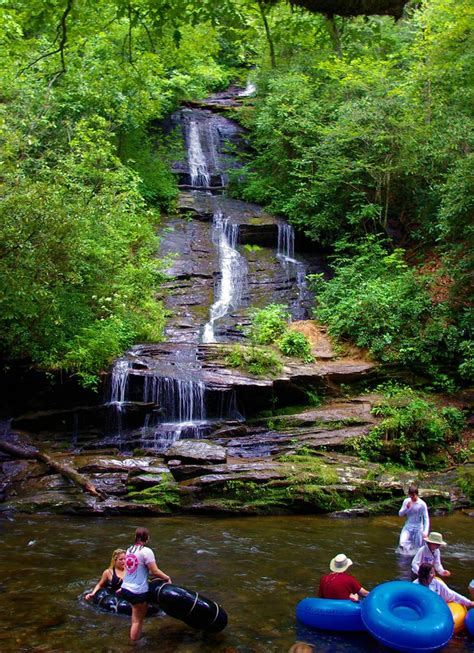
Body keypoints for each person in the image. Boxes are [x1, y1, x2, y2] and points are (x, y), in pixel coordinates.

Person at [119, 526, 171, 641]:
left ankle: (135, 637)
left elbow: (133, 570)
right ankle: (134, 644)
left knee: (135, 616)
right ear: (147, 538)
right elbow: (154, 571)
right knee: (138, 620)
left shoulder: (129, 550)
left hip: (125, 589)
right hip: (137, 592)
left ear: (135, 537)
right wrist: (167, 578)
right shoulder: (147, 551)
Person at [397, 484, 429, 555]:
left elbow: (426, 518)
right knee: (402, 543)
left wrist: (425, 532)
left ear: (417, 494)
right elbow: (400, 514)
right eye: (410, 495)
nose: (411, 497)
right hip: (408, 526)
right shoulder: (406, 501)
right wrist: (406, 508)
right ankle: (403, 560)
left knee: (417, 548)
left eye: (413, 495)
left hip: (418, 528)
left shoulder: (422, 504)